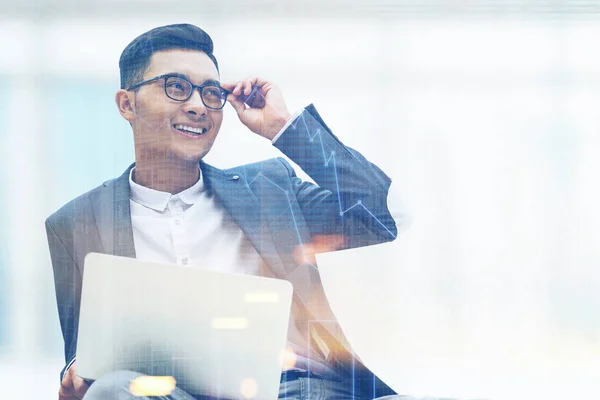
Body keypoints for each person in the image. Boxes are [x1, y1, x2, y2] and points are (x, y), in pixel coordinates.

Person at [46, 23, 408, 400]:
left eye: (211, 92)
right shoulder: (77, 223)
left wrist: (286, 129)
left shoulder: (269, 189)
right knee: (110, 389)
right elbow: (82, 355)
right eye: (176, 87)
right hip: (167, 394)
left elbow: (387, 215)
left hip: (297, 390)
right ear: (127, 104)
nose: (198, 106)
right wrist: (76, 375)